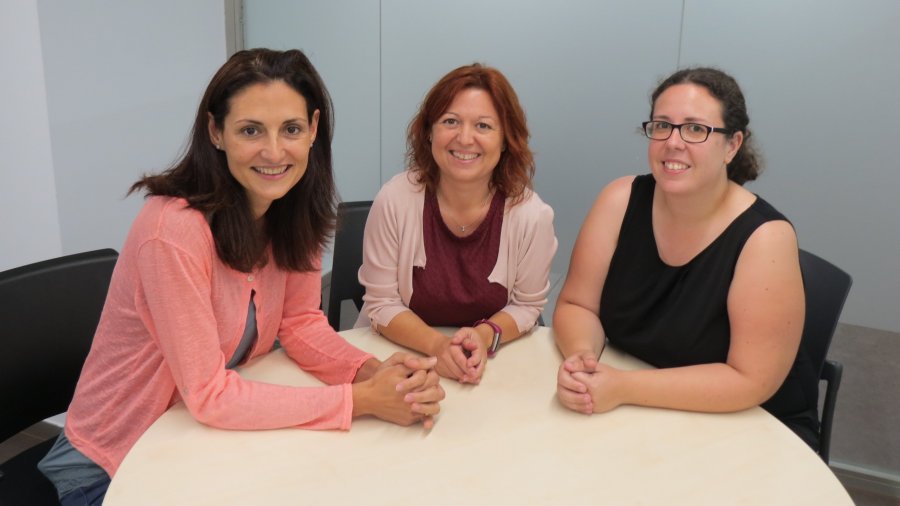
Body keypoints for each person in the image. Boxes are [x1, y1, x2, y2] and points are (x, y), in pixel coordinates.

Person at [37, 48, 444, 505]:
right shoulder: (172, 230)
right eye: (251, 130)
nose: (274, 152)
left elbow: (300, 323)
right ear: (216, 132)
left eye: (290, 129)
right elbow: (210, 395)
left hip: (200, 443)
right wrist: (361, 401)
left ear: (312, 129)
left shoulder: (289, 207)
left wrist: (375, 374)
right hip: (113, 468)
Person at [554, 67, 818, 448]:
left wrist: (623, 387)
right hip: (643, 409)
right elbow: (579, 304)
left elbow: (750, 380)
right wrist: (583, 360)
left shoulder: (765, 238)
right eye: (662, 125)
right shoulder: (619, 199)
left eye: (696, 129)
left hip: (750, 428)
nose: (673, 142)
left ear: (732, 145)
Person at [356, 63, 557, 384]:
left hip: (494, 368)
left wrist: (483, 335)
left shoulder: (532, 215)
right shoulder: (394, 199)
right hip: (399, 360)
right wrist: (438, 346)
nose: (465, 138)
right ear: (429, 131)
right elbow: (381, 304)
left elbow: (527, 306)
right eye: (450, 121)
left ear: (506, 140)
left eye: (483, 126)